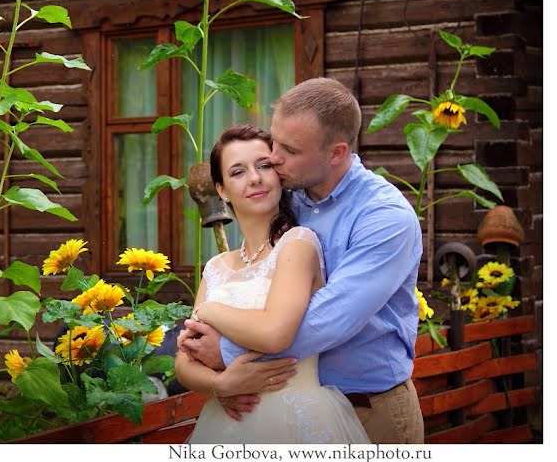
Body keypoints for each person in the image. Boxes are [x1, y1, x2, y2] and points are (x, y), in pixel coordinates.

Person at [179, 78, 424, 444]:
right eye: (274, 142)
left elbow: (326, 320)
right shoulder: (287, 197)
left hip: (368, 409)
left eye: (288, 150)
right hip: (262, 408)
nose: (273, 159)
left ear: (336, 153)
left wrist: (226, 354)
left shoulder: (385, 217)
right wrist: (217, 380)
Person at [176, 124, 370, 444]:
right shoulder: (216, 268)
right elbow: (185, 362)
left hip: (296, 418)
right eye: (238, 172)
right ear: (221, 190)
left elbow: (275, 333)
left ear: (278, 174)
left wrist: (209, 309)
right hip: (227, 420)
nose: (254, 178)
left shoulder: (297, 245)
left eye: (263, 165)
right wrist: (221, 385)